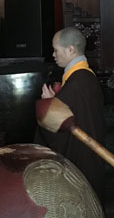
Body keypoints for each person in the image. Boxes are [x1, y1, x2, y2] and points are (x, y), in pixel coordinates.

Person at [35, 27, 106, 201]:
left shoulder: (76, 84)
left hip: (80, 163)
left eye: (56, 50)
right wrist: (57, 101)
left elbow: (55, 128)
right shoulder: (85, 77)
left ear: (71, 49)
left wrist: (48, 104)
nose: (53, 54)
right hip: (92, 159)